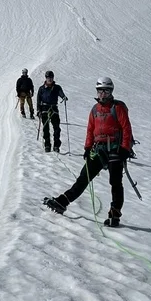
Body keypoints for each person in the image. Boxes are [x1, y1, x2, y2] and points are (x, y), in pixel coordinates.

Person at [43, 76, 134, 227]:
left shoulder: (118, 108)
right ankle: (63, 201)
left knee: (115, 182)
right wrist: (87, 147)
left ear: (111, 92)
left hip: (115, 149)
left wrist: (124, 149)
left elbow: (126, 128)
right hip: (98, 149)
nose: (102, 95)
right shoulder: (95, 110)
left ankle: (114, 215)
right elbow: (90, 130)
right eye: (100, 91)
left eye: (105, 91)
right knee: (83, 178)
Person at [36, 70, 68, 152]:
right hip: (44, 108)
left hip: (53, 108)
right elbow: (38, 100)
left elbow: (61, 93)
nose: (50, 79)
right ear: (46, 78)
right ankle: (47, 145)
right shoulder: (41, 89)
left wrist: (63, 97)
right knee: (46, 128)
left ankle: (56, 146)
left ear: (53, 78)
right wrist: (38, 110)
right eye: (48, 78)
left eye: (51, 78)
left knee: (56, 128)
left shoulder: (57, 87)